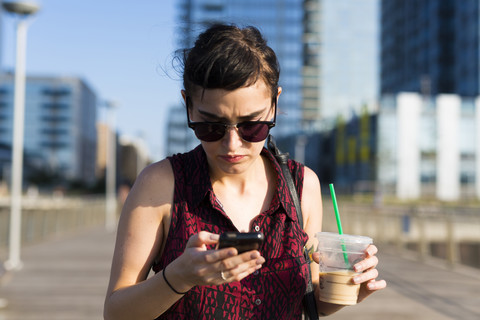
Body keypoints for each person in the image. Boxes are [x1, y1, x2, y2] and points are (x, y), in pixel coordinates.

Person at [104, 23, 386, 320]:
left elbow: (310, 300)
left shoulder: (302, 185)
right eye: (211, 126)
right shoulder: (161, 185)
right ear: (188, 104)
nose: (231, 144)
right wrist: (179, 277)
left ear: (275, 103)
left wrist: (353, 288)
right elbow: (116, 312)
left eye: (252, 125)